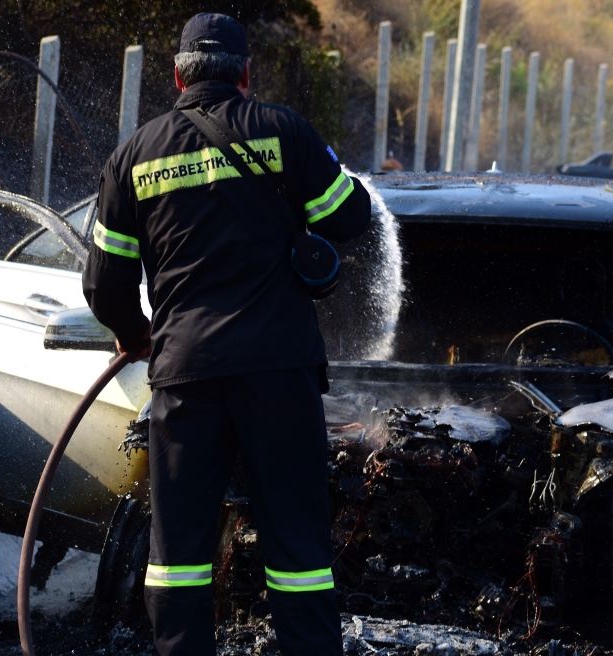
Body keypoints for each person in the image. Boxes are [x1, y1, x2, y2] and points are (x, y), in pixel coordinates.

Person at [83, 12, 371, 655]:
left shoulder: (133, 155)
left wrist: (138, 336)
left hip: (185, 377)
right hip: (278, 373)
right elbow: (351, 216)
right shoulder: (283, 132)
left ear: (177, 74)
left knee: (178, 550)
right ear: (246, 73)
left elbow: (103, 287)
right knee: (297, 543)